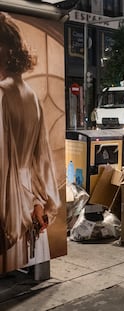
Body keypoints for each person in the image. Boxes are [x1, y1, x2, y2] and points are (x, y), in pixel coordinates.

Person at [0, 12, 60, 273]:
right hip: (29, 196)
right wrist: (38, 200)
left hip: (6, 197)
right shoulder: (31, 95)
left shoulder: (2, 94)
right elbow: (42, 158)